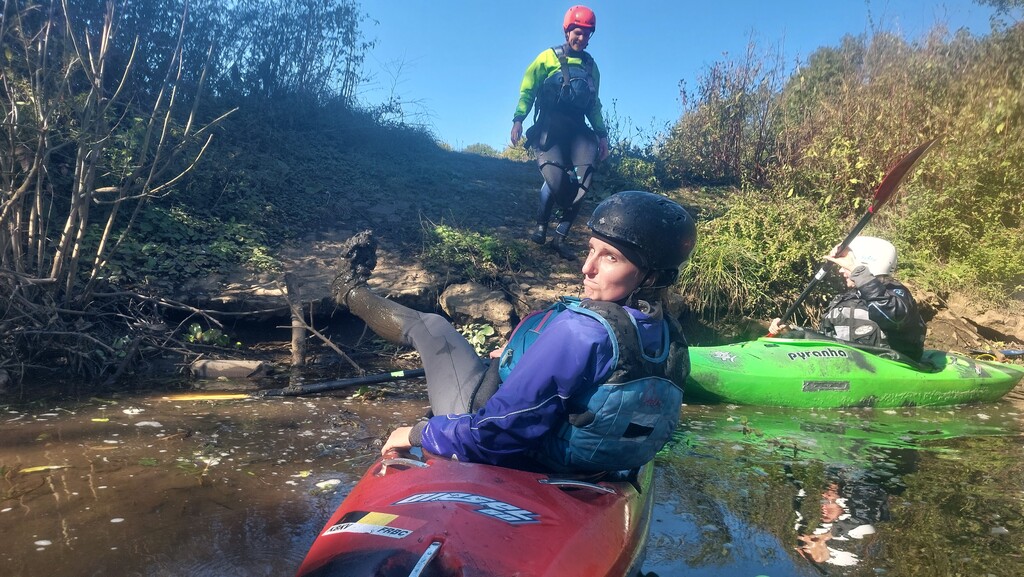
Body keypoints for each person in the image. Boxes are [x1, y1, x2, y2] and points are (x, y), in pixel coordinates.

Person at [332, 191, 696, 473]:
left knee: (431, 326)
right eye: (591, 250)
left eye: (611, 258)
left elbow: (496, 433)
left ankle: (348, 290)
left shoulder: (581, 332)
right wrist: (520, 355)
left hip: (520, 459)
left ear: (652, 275)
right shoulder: (669, 335)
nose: (587, 268)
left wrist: (416, 433)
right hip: (598, 467)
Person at [510, 5, 610, 261]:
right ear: (567, 32)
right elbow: (528, 89)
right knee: (555, 181)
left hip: (578, 132)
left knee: (583, 181)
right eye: (578, 32)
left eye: (587, 35)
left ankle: (560, 237)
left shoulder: (591, 67)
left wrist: (601, 135)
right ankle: (541, 226)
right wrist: (519, 119)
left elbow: (593, 104)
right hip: (551, 129)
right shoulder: (547, 58)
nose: (582, 39)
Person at [769, 236, 926, 361]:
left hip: (891, 367)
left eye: (846, 264)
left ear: (865, 264)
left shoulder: (896, 293)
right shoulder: (845, 300)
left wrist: (858, 273)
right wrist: (793, 331)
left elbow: (892, 316)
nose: (840, 270)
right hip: (847, 365)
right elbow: (829, 339)